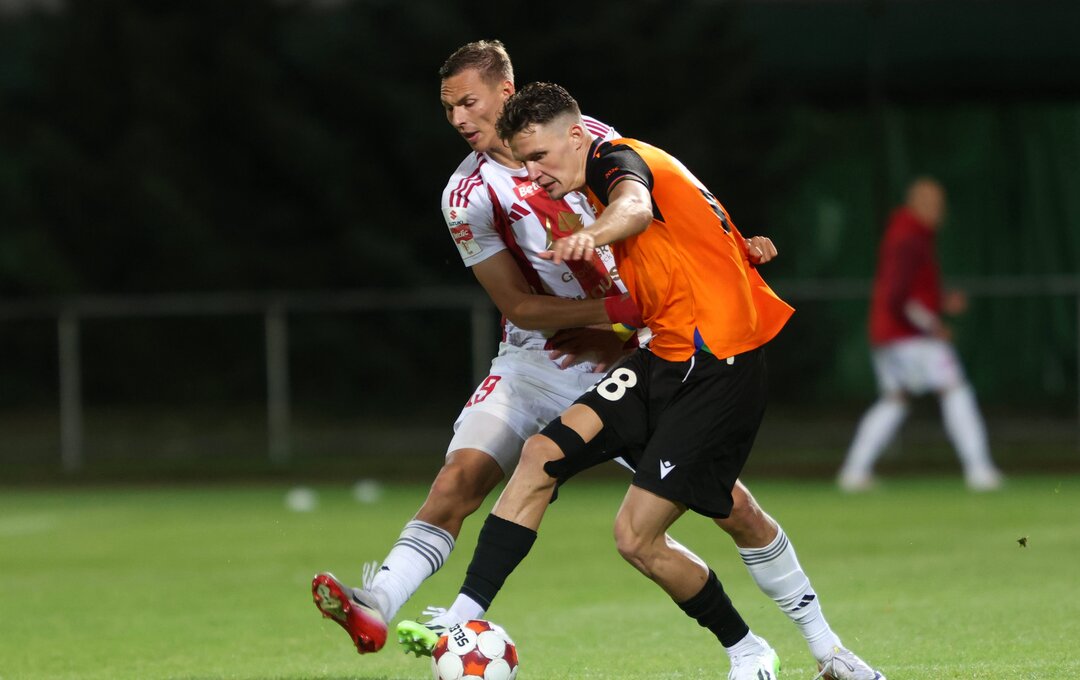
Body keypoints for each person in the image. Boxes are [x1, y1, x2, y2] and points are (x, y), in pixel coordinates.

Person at [396, 81, 886, 680]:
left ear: (577, 136)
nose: (533, 175)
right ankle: (460, 621)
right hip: (661, 355)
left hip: (716, 369)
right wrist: (742, 249)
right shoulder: (611, 173)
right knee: (542, 455)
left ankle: (819, 652)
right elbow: (693, 236)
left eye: (540, 157)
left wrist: (593, 234)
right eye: (523, 163)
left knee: (643, 535)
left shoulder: (615, 161)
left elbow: (634, 205)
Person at [837, 177, 1003, 493]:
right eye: (934, 204)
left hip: (888, 333)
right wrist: (932, 325)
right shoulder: (908, 238)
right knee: (954, 389)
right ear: (917, 204)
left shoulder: (909, 234)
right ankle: (980, 471)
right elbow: (899, 297)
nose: (940, 211)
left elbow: (908, 291)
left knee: (895, 400)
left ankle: (853, 472)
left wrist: (941, 301)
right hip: (909, 336)